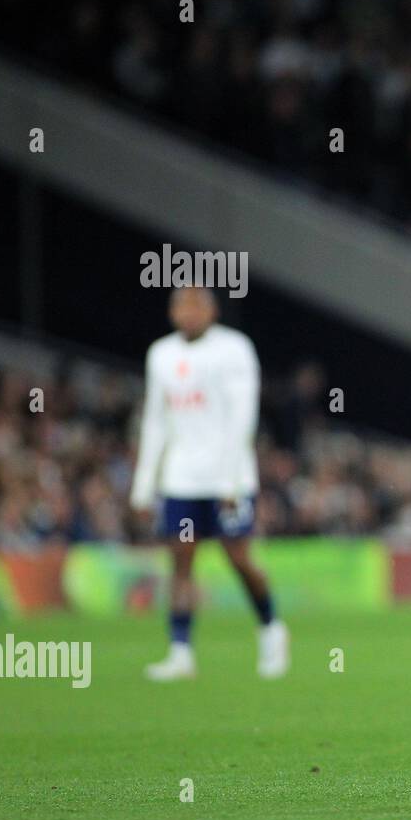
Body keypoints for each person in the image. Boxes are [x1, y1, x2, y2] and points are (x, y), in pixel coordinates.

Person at [131, 284, 289, 680]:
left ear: (212, 311)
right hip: (181, 480)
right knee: (181, 564)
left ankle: (271, 629)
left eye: (196, 306)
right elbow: (155, 421)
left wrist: (231, 482)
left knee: (239, 559)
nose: (188, 313)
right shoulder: (161, 354)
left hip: (228, 477)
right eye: (181, 306)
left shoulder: (234, 349)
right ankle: (180, 652)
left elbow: (243, 417)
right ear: (171, 313)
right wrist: (144, 483)